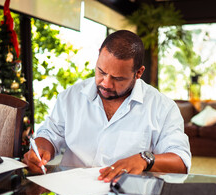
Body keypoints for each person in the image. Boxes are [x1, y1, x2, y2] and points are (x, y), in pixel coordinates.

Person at [23, 30, 191, 182]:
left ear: (138, 73)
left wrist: (144, 159)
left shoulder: (163, 107)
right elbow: (50, 134)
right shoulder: (71, 97)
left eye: (118, 79)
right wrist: (41, 149)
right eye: (101, 72)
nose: (106, 84)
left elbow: (181, 161)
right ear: (98, 56)